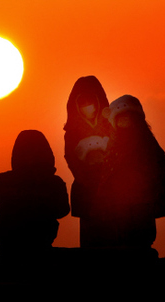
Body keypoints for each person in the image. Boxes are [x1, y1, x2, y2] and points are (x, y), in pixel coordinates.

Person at [93, 95, 165, 249]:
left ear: (137, 120)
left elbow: (162, 171)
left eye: (128, 119)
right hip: (119, 204)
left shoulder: (147, 144)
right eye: (121, 120)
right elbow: (106, 175)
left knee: (142, 239)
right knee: (122, 239)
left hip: (142, 203)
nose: (124, 123)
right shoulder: (114, 146)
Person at [0, 130, 70, 262]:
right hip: (11, 249)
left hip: (36, 248)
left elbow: (62, 209)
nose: (31, 157)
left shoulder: (53, 183)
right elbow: (62, 209)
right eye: (26, 151)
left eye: (35, 151)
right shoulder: (4, 181)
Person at [63, 76, 112, 248]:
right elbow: (69, 157)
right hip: (86, 191)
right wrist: (84, 177)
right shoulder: (71, 132)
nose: (87, 106)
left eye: (90, 101)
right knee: (90, 241)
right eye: (82, 102)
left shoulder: (111, 125)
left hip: (112, 189)